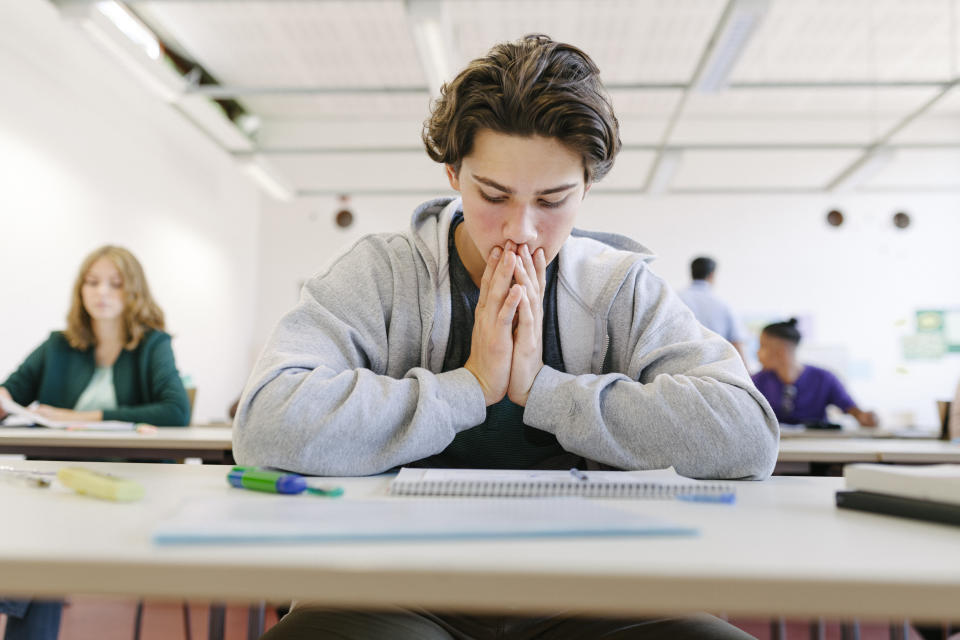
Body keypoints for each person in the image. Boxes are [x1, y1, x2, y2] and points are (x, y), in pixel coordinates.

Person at [235, 35, 777, 640]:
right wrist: (468, 387)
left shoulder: (620, 287)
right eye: (493, 196)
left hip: (593, 587)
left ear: (587, 187)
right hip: (392, 579)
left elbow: (747, 436)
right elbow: (264, 424)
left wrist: (543, 389)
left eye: (553, 200)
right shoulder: (379, 275)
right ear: (453, 175)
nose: (521, 230)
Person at [0, 245, 190, 640]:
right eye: (92, 282)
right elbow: (11, 392)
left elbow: (175, 411)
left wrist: (82, 417)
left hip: (130, 481)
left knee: (42, 547)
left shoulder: (153, 344)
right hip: (61, 478)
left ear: (133, 291)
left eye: (115, 284)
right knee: (43, 543)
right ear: (80, 290)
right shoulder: (58, 344)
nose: (102, 292)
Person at [752, 318, 877, 427]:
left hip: (817, 448)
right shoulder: (756, 381)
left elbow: (852, 409)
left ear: (781, 351)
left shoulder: (824, 378)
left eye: (762, 346)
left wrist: (865, 417)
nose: (757, 353)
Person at [678, 256, 747, 363]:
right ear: (712, 274)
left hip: (680, 365)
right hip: (715, 368)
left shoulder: (675, 299)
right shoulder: (723, 305)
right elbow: (736, 342)